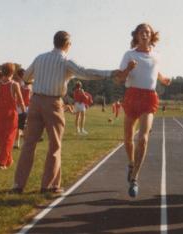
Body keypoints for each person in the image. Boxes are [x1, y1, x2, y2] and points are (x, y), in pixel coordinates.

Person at [11, 30, 120, 194]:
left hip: (35, 102)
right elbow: (86, 73)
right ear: (68, 44)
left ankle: (18, 185)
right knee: (54, 145)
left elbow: (26, 77)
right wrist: (111, 73)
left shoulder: (40, 57)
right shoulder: (65, 61)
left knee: (28, 144)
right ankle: (49, 186)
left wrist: (36, 81)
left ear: (54, 42)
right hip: (53, 103)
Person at [116, 23, 171, 197]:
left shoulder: (157, 55)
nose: (145, 34)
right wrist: (128, 69)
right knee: (127, 139)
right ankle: (131, 164)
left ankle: (134, 178)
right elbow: (119, 79)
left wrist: (163, 79)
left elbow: (156, 71)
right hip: (132, 96)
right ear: (137, 36)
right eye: (142, 32)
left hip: (149, 97)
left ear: (152, 35)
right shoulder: (129, 54)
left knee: (143, 138)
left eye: (148, 32)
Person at [0, 63, 25, 169]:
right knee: (9, 138)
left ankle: (9, 159)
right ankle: (1, 162)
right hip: (11, 114)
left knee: (2, 138)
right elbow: (21, 101)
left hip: (0, 113)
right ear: (12, 72)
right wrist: (24, 112)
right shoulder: (14, 84)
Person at [14, 68, 32, 148]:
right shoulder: (29, 84)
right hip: (26, 106)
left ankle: (16, 143)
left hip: (18, 106)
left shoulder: (17, 83)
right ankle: (25, 144)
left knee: (18, 126)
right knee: (25, 126)